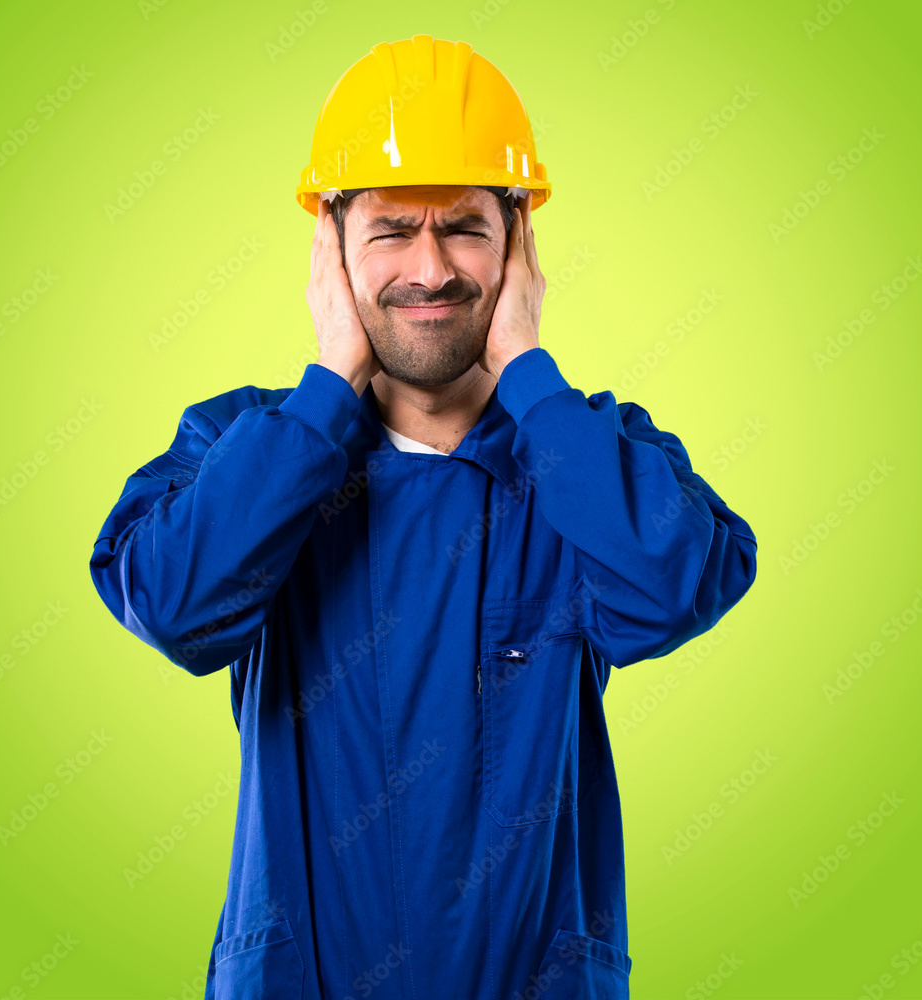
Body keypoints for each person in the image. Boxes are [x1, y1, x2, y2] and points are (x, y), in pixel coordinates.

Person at [89, 35, 758, 1000]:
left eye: (467, 228)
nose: (432, 267)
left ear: (519, 243)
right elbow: (172, 604)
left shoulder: (586, 452)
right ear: (332, 247)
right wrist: (324, 395)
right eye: (393, 228)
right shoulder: (244, 445)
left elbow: (676, 587)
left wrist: (532, 380)